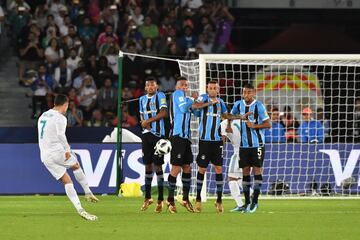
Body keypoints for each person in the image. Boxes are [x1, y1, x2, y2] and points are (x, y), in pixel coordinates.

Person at [37, 94, 98, 221]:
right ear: (65, 105)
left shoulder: (43, 115)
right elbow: (60, 135)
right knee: (76, 165)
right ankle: (87, 192)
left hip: (45, 155)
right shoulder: (61, 118)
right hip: (57, 152)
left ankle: (80, 210)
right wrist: (67, 149)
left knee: (67, 181)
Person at [166, 76, 208, 214]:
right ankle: (170, 200)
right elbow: (184, 108)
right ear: (177, 86)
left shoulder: (186, 99)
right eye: (182, 85)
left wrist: (203, 101)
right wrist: (194, 100)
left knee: (187, 167)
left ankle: (184, 198)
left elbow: (195, 112)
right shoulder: (177, 95)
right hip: (177, 136)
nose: (185, 87)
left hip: (186, 138)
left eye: (186, 85)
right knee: (176, 168)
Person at [230, 84, 271, 213]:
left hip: (257, 145)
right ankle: (247, 202)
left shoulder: (259, 106)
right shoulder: (238, 105)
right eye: (244, 92)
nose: (246, 95)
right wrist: (236, 120)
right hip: (244, 146)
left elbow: (268, 124)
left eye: (248, 92)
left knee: (257, 171)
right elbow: (229, 116)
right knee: (245, 172)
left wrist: (253, 125)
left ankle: (255, 202)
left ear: (253, 93)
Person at [192, 81, 227, 213]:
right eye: (210, 88)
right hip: (204, 141)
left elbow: (225, 115)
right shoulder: (203, 98)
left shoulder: (221, 103)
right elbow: (195, 106)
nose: (212, 90)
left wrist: (232, 121)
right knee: (202, 169)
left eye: (215, 88)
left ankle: (219, 201)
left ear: (218, 90)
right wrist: (209, 103)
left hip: (217, 141)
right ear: (207, 89)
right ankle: (198, 199)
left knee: (219, 169)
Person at [138, 77, 167, 213]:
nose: (150, 87)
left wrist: (148, 121)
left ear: (156, 87)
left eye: (153, 85)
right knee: (147, 165)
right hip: (145, 135)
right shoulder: (141, 100)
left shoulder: (160, 96)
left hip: (157, 135)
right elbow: (142, 117)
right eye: (148, 85)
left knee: (158, 166)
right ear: (145, 88)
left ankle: (160, 199)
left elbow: (163, 113)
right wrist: (144, 122)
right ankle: (148, 197)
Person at [220, 118, 253, 212]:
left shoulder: (224, 123)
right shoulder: (244, 120)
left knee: (231, 179)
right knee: (239, 179)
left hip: (239, 153)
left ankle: (241, 203)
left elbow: (222, 138)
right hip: (250, 151)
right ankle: (250, 196)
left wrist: (220, 152)